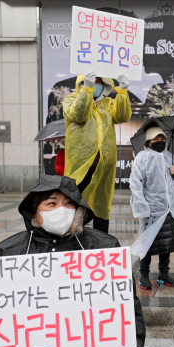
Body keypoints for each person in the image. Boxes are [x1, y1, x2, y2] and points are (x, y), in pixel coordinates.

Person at [0, 175, 146, 347]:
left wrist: (134, 346)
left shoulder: (103, 247)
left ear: (78, 209)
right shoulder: (7, 253)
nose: (61, 210)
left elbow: (126, 303)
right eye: (51, 203)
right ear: (35, 210)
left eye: (68, 203)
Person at [61, 71, 132, 234]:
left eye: (100, 81)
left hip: (104, 164)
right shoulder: (71, 100)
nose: (96, 84)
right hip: (81, 166)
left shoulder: (108, 103)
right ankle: (72, 240)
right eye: (93, 80)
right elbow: (79, 114)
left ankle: (101, 244)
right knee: (75, 202)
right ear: (82, 82)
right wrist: (86, 90)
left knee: (101, 203)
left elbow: (122, 116)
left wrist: (122, 92)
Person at [130, 127, 174, 290]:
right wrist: (142, 205)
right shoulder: (142, 157)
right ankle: (143, 276)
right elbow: (135, 182)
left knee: (166, 242)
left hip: (170, 209)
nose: (161, 142)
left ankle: (163, 273)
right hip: (152, 209)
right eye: (157, 140)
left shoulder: (170, 157)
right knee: (147, 243)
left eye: (163, 140)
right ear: (148, 142)